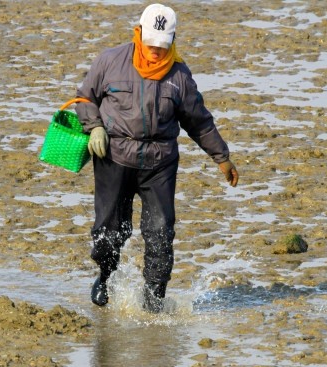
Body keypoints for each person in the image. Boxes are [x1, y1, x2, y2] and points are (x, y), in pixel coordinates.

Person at [75, 3, 239, 313]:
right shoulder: (110, 61)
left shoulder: (179, 76)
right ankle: (105, 275)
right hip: (114, 157)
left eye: (163, 46)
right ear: (138, 34)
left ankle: (153, 300)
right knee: (109, 231)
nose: (155, 52)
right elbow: (84, 99)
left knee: (161, 233)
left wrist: (222, 157)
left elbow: (198, 121)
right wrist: (94, 127)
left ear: (172, 41)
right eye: (150, 44)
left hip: (159, 164)